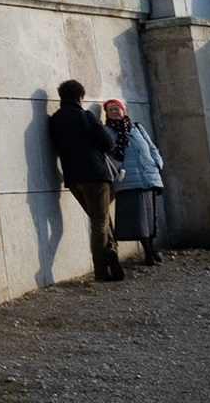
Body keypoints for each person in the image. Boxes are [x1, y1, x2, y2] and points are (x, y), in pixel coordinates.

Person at [48, 79, 124, 281]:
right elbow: (108, 143)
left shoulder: (54, 120)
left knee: (100, 217)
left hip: (73, 178)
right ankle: (101, 270)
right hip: (95, 174)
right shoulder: (85, 115)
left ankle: (111, 250)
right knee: (100, 221)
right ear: (80, 97)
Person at [105, 98, 166, 265]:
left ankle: (152, 249)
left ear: (123, 110)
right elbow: (108, 155)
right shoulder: (107, 131)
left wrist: (157, 163)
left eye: (117, 109)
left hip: (148, 176)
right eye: (110, 110)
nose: (114, 112)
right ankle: (148, 252)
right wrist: (119, 168)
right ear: (107, 114)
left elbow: (151, 146)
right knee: (138, 219)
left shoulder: (136, 127)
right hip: (128, 179)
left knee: (150, 217)